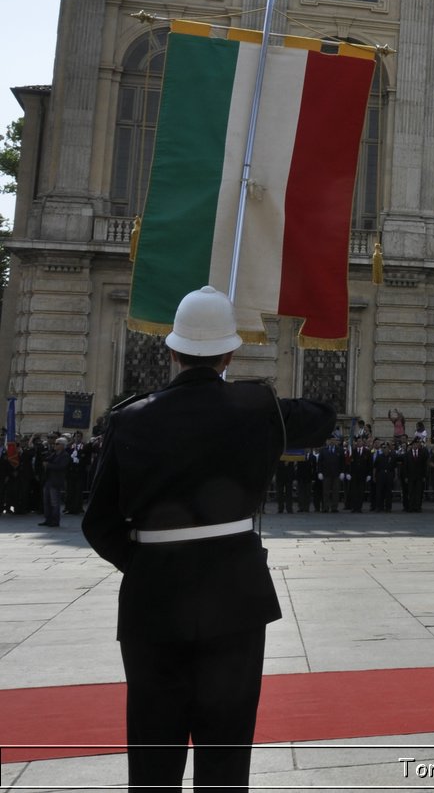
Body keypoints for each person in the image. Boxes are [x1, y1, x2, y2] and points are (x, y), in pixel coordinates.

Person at [82, 286, 333, 792]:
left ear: (171, 350)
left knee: (154, 755)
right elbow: (322, 418)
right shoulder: (257, 407)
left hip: (153, 602)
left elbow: (98, 522)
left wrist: (150, 562)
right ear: (231, 351)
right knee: (225, 754)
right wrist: (246, 397)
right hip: (235, 596)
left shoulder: (130, 417)